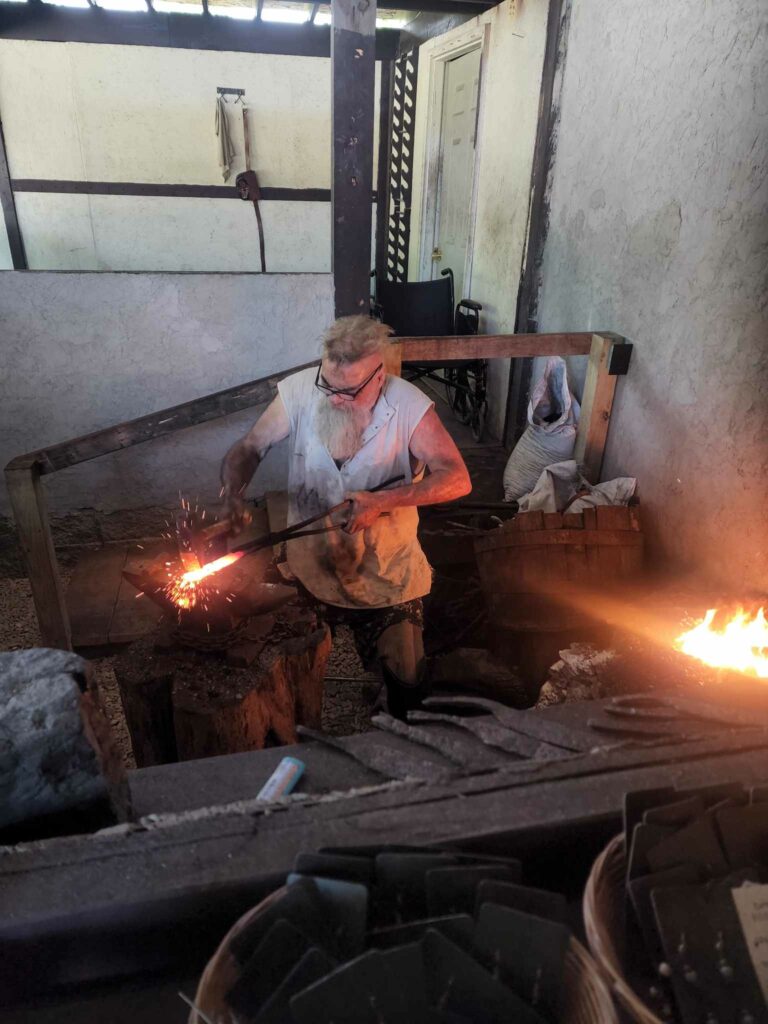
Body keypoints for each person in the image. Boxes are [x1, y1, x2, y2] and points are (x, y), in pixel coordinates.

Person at [221, 315, 471, 717]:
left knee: (407, 686)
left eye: (349, 391)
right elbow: (250, 446)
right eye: (329, 386)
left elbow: (457, 479)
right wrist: (232, 494)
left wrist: (383, 501)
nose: (335, 399)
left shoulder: (408, 407)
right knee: (276, 678)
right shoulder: (302, 391)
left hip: (384, 574)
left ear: (378, 377)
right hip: (308, 567)